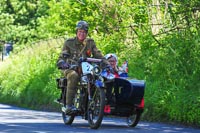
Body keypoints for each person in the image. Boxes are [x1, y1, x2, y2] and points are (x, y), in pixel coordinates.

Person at [57, 20, 110, 114]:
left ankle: (94, 101)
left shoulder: (90, 43)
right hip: (71, 68)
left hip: (86, 68)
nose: (82, 34)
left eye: (84, 32)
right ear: (76, 31)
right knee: (73, 76)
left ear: (86, 33)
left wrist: (107, 64)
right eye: (80, 31)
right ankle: (69, 106)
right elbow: (62, 57)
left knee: (96, 76)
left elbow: (97, 54)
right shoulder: (69, 42)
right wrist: (63, 63)